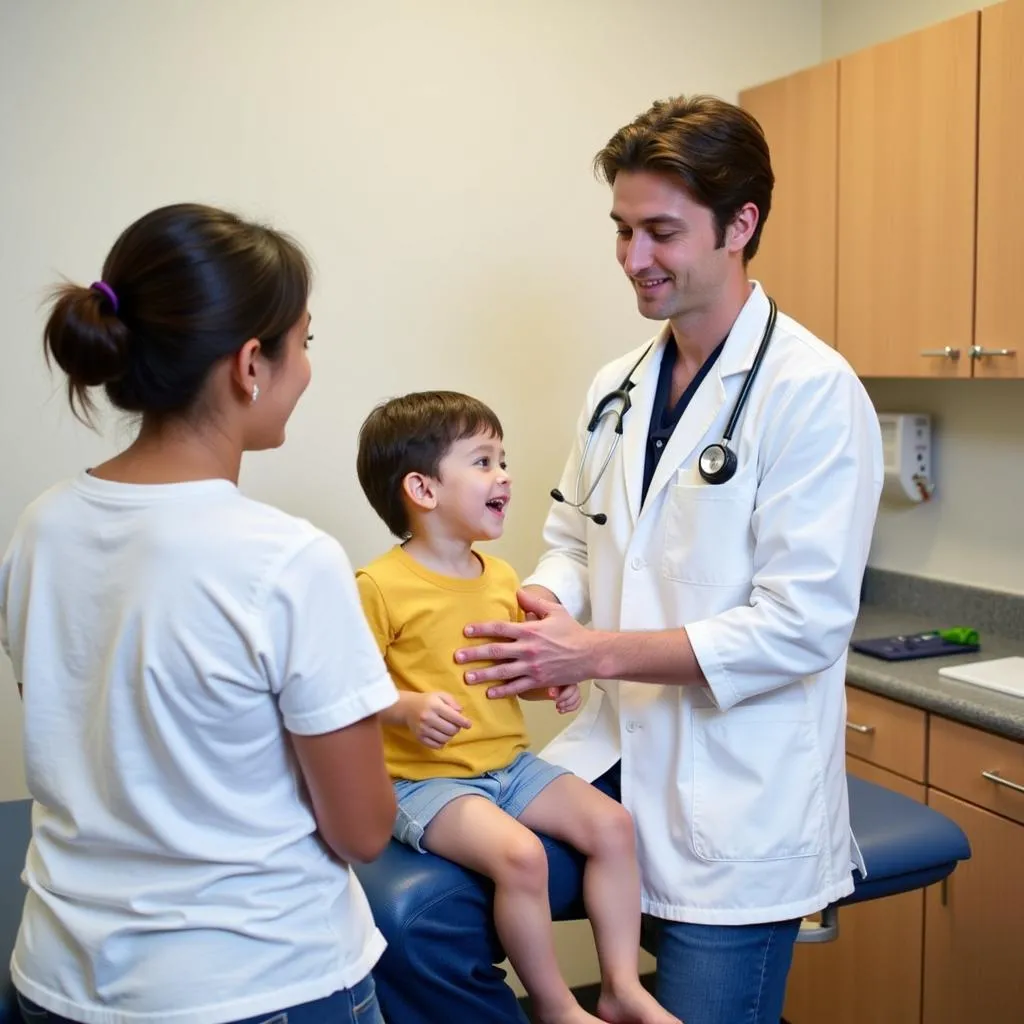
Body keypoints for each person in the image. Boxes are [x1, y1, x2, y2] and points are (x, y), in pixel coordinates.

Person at [454, 95, 885, 1024]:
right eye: (621, 231)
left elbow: (801, 624)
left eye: (659, 232)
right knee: (434, 912)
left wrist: (592, 652)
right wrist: (536, 616)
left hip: (737, 800)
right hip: (616, 757)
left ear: (742, 224)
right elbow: (574, 535)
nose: (633, 260)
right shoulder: (617, 387)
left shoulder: (813, 394)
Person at [0, 204, 399, 1024]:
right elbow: (362, 830)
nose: (308, 367)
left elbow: (86, 738)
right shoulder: (286, 559)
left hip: (58, 979)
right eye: (306, 343)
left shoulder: (42, 524)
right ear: (251, 363)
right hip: (256, 986)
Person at [354, 391, 679, 1024]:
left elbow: (514, 675)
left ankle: (621, 987)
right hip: (424, 782)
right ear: (422, 489)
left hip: (508, 765)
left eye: (503, 459)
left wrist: (551, 684)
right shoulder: (379, 586)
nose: (504, 475)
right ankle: (557, 1007)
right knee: (522, 856)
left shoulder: (501, 578)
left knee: (613, 826)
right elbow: (344, 693)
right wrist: (406, 709)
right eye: (482, 461)